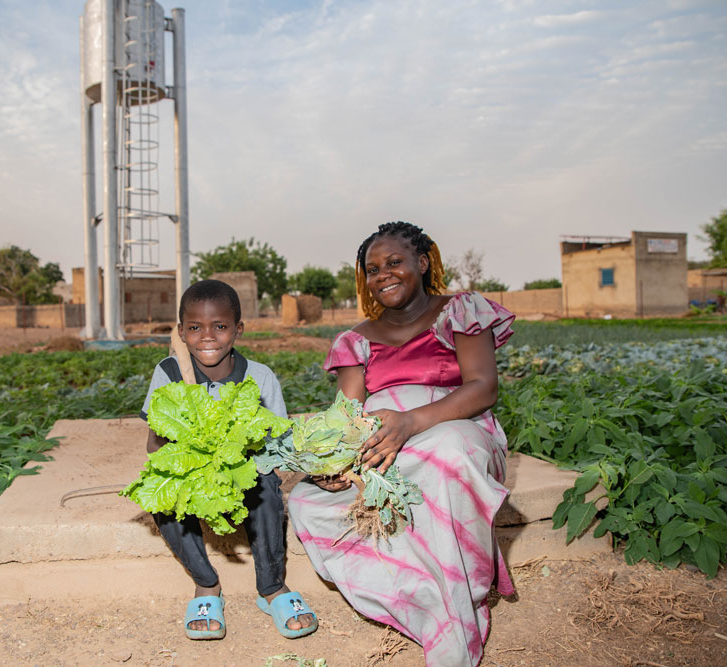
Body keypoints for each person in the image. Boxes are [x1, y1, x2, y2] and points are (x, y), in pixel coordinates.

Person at [286, 222, 515, 667]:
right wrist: (339, 462)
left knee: (448, 453)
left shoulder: (460, 312)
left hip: (453, 429)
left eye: (394, 262)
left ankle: (455, 617)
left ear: (422, 263)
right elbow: (350, 413)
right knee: (306, 500)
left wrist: (411, 422)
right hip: (384, 450)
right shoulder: (356, 339)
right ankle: (421, 600)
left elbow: (483, 387)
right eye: (372, 269)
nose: (383, 275)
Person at [140, 279, 318, 641]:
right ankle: (207, 585)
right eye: (195, 328)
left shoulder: (260, 377)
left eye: (220, 327)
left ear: (238, 329)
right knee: (159, 492)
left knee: (268, 485)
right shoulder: (170, 373)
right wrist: (192, 449)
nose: (207, 337)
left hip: (243, 477)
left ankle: (271, 587)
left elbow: (276, 445)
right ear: (181, 332)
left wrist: (234, 455)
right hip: (194, 475)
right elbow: (154, 444)